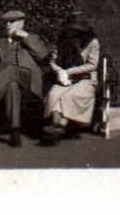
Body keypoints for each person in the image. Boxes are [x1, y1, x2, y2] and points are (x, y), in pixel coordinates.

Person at [0, 9, 53, 146]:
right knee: (12, 85)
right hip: (7, 84)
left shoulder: (33, 38)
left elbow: (44, 56)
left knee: (11, 70)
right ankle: (14, 130)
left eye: (12, 21)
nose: (8, 24)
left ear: (21, 23)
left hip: (30, 82)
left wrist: (25, 36)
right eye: (5, 22)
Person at [42, 15, 101, 144]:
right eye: (70, 29)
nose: (71, 32)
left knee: (69, 96)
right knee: (54, 94)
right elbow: (53, 60)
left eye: (75, 29)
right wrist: (59, 71)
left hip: (85, 79)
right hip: (65, 79)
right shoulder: (62, 41)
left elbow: (92, 65)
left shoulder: (92, 43)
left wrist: (68, 71)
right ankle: (56, 125)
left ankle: (58, 128)